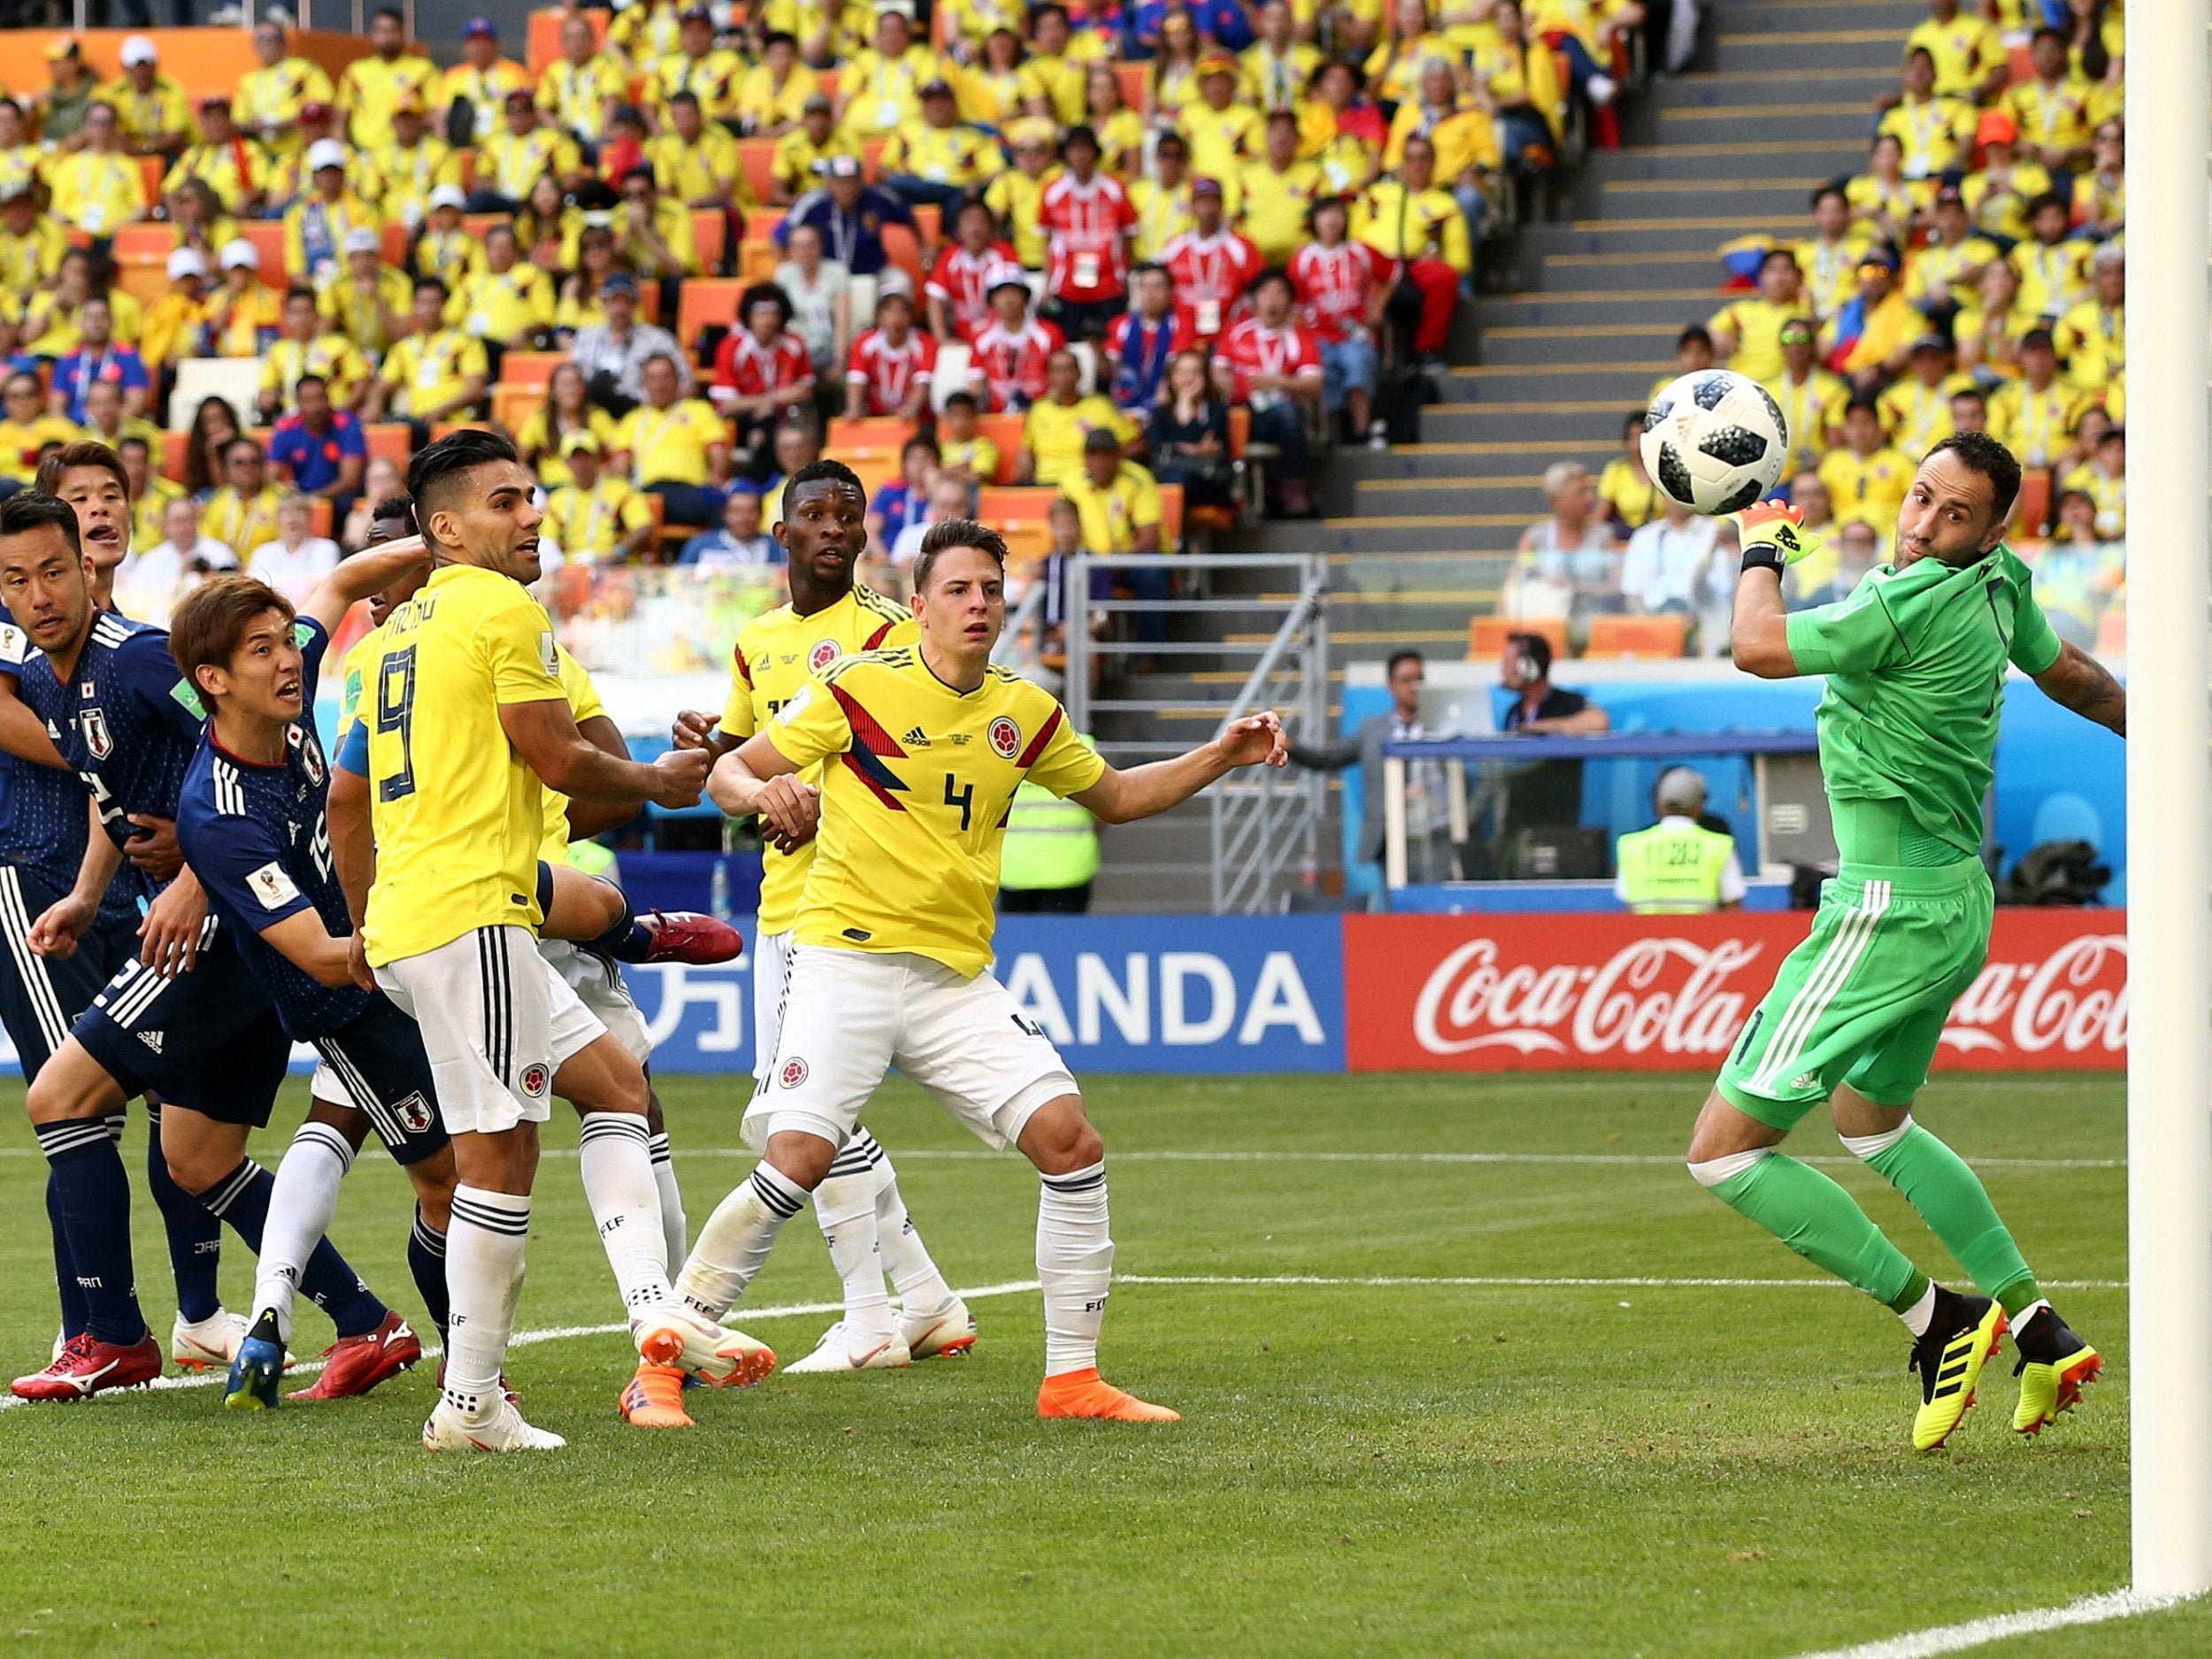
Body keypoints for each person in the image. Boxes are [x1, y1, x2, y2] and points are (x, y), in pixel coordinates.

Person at [664, 516, 1289, 1418]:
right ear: (917, 606)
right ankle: (664, 1356)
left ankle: (1073, 1381)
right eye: (957, 589)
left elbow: (1113, 797)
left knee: (1070, 1143)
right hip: (845, 960)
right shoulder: (856, 689)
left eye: (991, 590)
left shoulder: (1022, 710)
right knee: (798, 1155)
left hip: (953, 980)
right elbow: (729, 774)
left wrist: (1219, 755)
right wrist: (768, 790)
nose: (978, 604)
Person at [1691, 431, 2126, 1450]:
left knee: (1723, 1154)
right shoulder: (1998, 589)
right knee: (1872, 1124)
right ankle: (2037, 1324)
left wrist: (1763, 542)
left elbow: (1756, 646)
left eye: (1954, 515)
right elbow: (2074, 679)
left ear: (1994, 529)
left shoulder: (1904, 601)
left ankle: (1942, 1320)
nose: (1925, 527)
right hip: (1954, 903)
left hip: (1882, 907)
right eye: (1920, 499)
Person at [339, 431, 731, 1451]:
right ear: (446, 527)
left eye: (533, 497)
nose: (533, 516)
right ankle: (470, 1401)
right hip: (473, 917)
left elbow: (347, 796)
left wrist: (364, 920)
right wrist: (658, 783)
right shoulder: (501, 607)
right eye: (506, 501)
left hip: (422, 918)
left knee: (614, 1087)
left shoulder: (389, 639)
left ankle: (653, 1307)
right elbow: (558, 760)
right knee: (498, 1159)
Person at [0, 492, 402, 1402]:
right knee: (197, 1159)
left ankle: (109, 1336)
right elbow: (130, 790)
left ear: (87, 569)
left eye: (54, 571)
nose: (40, 594)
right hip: (253, 931)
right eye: (17, 580)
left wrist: (191, 877)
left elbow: (236, 748)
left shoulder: (138, 661)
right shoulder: (54, 683)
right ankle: (366, 1322)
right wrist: (87, 894)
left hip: (223, 925)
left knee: (60, 1095)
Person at [668, 461, 970, 1371]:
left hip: (846, 904)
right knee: (800, 1108)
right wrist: (713, 755)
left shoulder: (886, 632)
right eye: (814, 514)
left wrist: (817, 803)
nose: (833, 528)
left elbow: (911, 764)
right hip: (781, 900)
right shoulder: (756, 641)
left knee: (799, 1110)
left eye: (849, 515)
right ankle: (923, 1301)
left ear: (866, 534)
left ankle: (872, 1316)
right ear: (783, 532)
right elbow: (739, 762)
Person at [0, 445, 232, 1379]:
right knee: (77, 1104)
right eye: (76, 499)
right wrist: (110, 751)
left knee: (172, 1105)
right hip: (34, 873)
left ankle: (200, 1311)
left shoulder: (132, 644)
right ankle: (91, 1325)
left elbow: (199, 732)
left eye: (111, 497)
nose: (97, 511)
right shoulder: (21, 626)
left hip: (124, 888)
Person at [1287, 648, 1459, 888]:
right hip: (1390, 839)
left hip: (1434, 836)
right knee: (1397, 915)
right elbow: (1329, 758)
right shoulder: (1372, 731)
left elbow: (1472, 772)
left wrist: (1468, 814)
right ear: (1391, 685)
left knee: (1436, 913)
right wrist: (1290, 747)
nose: (1414, 686)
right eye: (1406, 680)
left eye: (1419, 679)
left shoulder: (1441, 725)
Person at [1213, 269, 1323, 518]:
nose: (1272, 300)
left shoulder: (1299, 338)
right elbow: (1217, 370)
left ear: (1290, 301)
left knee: (1287, 414)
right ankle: (1228, 493)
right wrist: (1224, 383)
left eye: (1280, 293)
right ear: (1253, 300)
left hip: (1280, 413)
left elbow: (1314, 384)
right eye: (1265, 293)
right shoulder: (1237, 332)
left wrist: (1279, 382)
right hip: (1240, 409)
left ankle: (1293, 488)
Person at [1290, 196, 1385, 448]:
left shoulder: (1360, 252)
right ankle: (1331, 434)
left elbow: (1393, 272)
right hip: (1317, 334)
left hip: (1356, 333)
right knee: (1321, 369)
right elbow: (1295, 304)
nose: (1331, 220)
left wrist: (1378, 306)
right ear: (1314, 221)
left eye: (1337, 214)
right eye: (1325, 214)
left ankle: (1361, 432)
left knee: (1357, 364)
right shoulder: (1302, 259)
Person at [1497, 630, 1609, 841]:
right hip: (1517, 826)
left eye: (1507, 662)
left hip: (1556, 825)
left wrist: (1543, 727)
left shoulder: (1566, 703)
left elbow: (1599, 721)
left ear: (1528, 667)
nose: (1502, 669)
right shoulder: (1514, 712)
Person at [615, 353, 732, 530]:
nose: (660, 385)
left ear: (677, 379)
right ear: (644, 384)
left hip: (689, 490)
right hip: (645, 492)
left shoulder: (699, 410)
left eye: (666, 377)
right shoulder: (632, 420)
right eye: (653, 378)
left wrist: (716, 475)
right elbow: (621, 466)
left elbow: (718, 453)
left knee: (721, 506)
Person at [1613, 769, 1744, 914]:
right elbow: (1734, 908)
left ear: (1659, 805)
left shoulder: (1631, 846)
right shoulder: (1719, 846)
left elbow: (1629, 907)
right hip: (1703, 935)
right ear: (1699, 807)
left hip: (1647, 935)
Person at [999, 745, 1103, 912]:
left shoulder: (1000, 746)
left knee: (1019, 936)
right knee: (1063, 936)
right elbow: (1103, 809)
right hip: (1068, 867)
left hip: (1014, 867)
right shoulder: (1084, 746)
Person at [569, 272, 690, 411]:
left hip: (642, 409)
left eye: (627, 301)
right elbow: (573, 380)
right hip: (594, 411)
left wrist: (655, 397)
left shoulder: (657, 339)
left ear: (635, 305)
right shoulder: (586, 337)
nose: (620, 308)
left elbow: (686, 383)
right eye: (615, 301)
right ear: (604, 303)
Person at [541, 433, 657, 564]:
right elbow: (547, 541)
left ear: (597, 458)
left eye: (587, 456)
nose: (582, 463)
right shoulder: (556, 499)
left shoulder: (622, 491)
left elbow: (644, 528)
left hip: (615, 564)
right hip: (573, 566)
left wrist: (619, 553)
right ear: (566, 462)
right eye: (575, 457)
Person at [1619, 497, 1718, 624]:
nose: (1677, 499)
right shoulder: (1644, 536)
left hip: (1703, 621)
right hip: (1652, 623)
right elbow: (1632, 593)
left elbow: (1721, 592)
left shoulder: (1716, 534)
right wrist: (1650, 628)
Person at [844, 288, 938, 421]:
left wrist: (911, 408)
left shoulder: (926, 343)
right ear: (878, 317)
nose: (897, 318)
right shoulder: (863, 342)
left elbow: (923, 382)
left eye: (903, 310)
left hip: (915, 420)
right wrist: (854, 409)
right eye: (890, 310)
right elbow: (857, 379)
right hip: (875, 419)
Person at [241, 493, 341, 606]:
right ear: (278, 519)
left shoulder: (326, 548)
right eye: (286, 513)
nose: (292, 519)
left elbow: (323, 587)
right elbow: (254, 589)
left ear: (310, 517)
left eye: (299, 512)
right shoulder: (263, 552)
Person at [680, 488, 782, 570]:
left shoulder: (776, 546)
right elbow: (680, 578)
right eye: (736, 511)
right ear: (725, 514)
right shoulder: (700, 544)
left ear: (761, 514)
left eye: (750, 511)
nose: (743, 518)